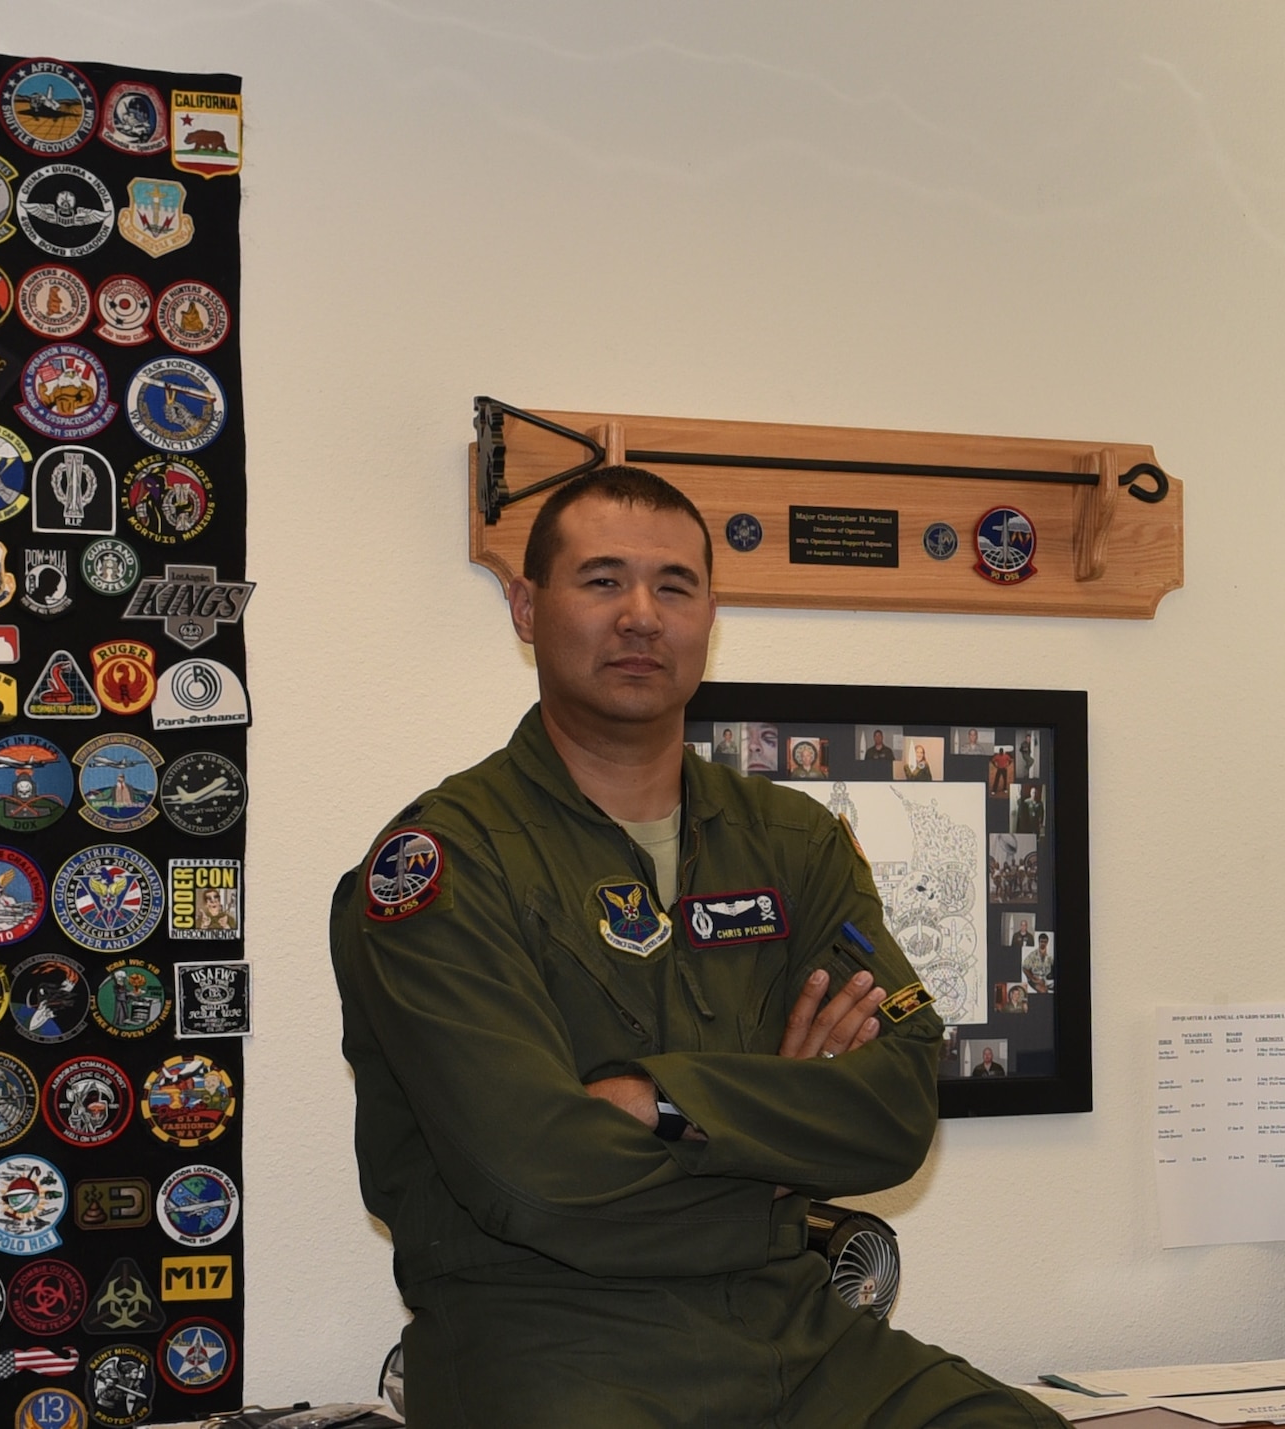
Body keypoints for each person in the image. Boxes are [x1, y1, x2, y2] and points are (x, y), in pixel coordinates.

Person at [329, 467, 1064, 1428]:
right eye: (602, 580)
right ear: (525, 605)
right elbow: (531, 1180)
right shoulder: (441, 866)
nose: (642, 615)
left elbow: (894, 1108)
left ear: (710, 614)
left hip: (793, 1328)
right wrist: (777, 1162)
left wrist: (660, 1102)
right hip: (548, 1341)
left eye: (674, 586)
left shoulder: (793, 841)